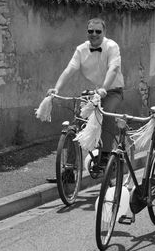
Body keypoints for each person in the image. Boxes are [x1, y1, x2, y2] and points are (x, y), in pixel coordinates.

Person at [47, 18, 124, 161]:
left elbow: (113, 69)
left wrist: (104, 89)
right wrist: (56, 89)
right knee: (77, 121)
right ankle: (70, 168)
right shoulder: (81, 49)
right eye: (90, 31)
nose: (94, 34)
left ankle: (106, 156)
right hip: (95, 92)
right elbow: (69, 70)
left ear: (104, 32)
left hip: (113, 91)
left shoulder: (112, 46)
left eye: (98, 31)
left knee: (105, 113)